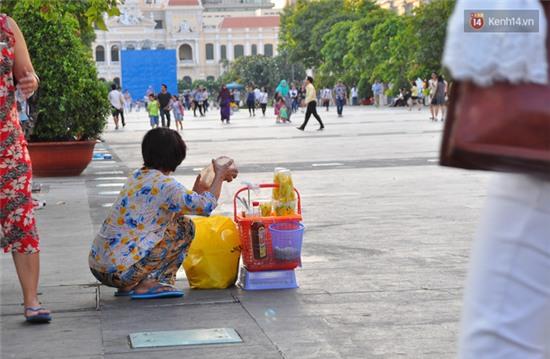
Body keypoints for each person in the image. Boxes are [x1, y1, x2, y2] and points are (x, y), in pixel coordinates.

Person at [89, 128, 238, 299]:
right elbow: (206, 206)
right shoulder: (166, 185)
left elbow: (173, 210)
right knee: (185, 227)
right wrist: (219, 175)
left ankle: (130, 285)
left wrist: (197, 190)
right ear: (176, 157)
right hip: (121, 272)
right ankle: (151, 282)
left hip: (99, 267)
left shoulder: (137, 176)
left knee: (175, 221)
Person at [0, 14, 51, 323]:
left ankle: (31, 301)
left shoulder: (5, 25)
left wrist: (31, 81)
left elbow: (27, 76)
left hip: (7, 144)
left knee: (21, 217)